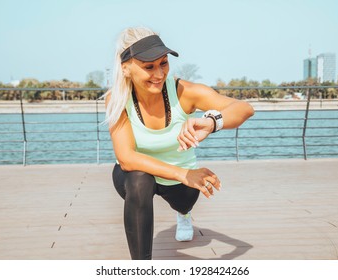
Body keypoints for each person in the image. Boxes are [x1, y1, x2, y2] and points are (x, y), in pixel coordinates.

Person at [104, 27, 254, 260]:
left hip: (180, 177)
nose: (159, 73)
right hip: (146, 175)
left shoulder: (183, 92)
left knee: (183, 203)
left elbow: (244, 108)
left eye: (163, 63)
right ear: (126, 68)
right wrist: (184, 174)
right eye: (149, 67)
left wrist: (212, 122)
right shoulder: (117, 99)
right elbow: (126, 157)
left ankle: (184, 214)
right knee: (139, 178)